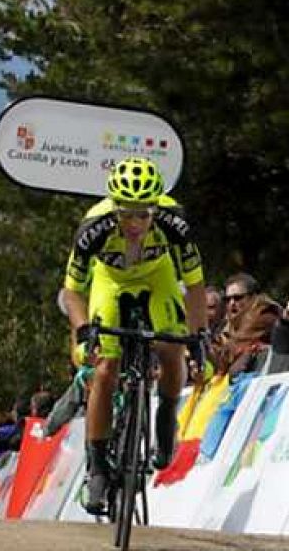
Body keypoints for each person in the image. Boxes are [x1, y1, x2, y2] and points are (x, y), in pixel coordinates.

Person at [61, 157, 208, 516]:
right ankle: (97, 467)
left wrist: (197, 337)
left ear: (156, 208)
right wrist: (84, 334)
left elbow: (194, 286)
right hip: (109, 281)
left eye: (144, 215)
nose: (135, 224)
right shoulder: (94, 227)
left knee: (171, 347)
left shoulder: (175, 223)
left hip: (158, 276)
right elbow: (72, 291)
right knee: (105, 370)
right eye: (126, 214)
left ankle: (166, 418)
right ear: (114, 207)